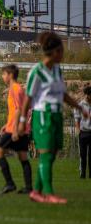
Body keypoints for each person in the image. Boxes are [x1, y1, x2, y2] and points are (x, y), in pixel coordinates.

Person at [21, 32, 89, 204]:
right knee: (45, 154)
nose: (63, 55)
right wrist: (22, 122)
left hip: (56, 116)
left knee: (51, 156)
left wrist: (79, 107)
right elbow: (27, 99)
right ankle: (49, 193)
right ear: (54, 51)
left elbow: (63, 94)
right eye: (61, 51)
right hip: (42, 116)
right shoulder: (36, 72)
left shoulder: (58, 70)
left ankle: (36, 191)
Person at [0, 64, 32, 195]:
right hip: (21, 128)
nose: (2, 76)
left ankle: (10, 183)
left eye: (4, 74)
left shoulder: (14, 89)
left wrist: (15, 129)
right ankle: (28, 187)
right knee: (23, 157)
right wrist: (7, 123)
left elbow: (18, 110)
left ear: (10, 75)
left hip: (14, 129)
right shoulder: (18, 89)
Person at [74, 86, 91, 179]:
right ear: (87, 95)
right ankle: (82, 174)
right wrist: (78, 130)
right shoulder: (81, 105)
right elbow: (77, 118)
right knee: (82, 155)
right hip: (83, 132)